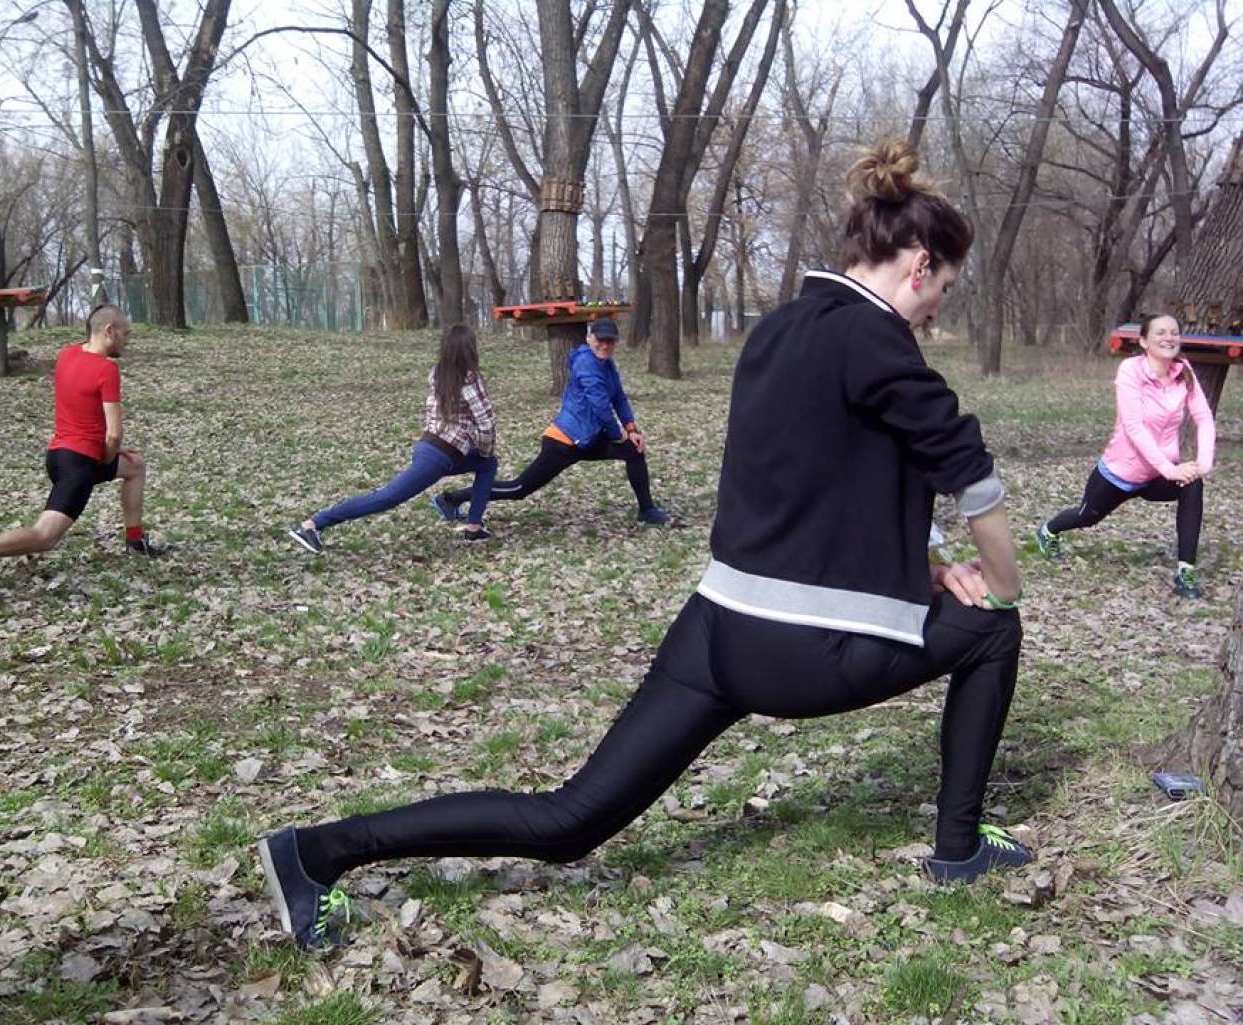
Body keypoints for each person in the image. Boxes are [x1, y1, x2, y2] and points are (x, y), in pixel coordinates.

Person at [256, 140, 1029, 951]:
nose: (936, 310)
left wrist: (919, 566)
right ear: (920, 264)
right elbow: (976, 483)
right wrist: (1000, 584)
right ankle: (959, 848)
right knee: (993, 629)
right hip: (804, 648)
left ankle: (316, 851)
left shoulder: (780, 328)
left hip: (717, 623)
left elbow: (820, 481)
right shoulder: (878, 340)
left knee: (569, 819)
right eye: (944, 287)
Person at [0, 305, 161, 585]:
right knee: (44, 536)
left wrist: (111, 454)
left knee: (135, 466)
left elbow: (86, 417)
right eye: (125, 333)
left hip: (58, 456)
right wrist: (107, 457)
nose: (127, 340)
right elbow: (114, 435)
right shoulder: (106, 369)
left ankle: (135, 542)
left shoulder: (67, 354)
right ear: (109, 331)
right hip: (80, 466)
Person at [1034, 314, 1214, 598]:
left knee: (1193, 484)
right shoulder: (1131, 370)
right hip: (1121, 473)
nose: (1169, 337)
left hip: (1157, 475)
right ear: (1143, 341)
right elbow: (1134, 428)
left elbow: (1203, 417)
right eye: (1161, 332)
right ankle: (1048, 530)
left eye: (1174, 332)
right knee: (1086, 517)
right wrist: (1169, 469)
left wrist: (1203, 463)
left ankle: (1185, 571)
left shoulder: (1184, 371)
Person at [431, 318, 669, 526]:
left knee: (634, 450)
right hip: (564, 442)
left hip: (590, 437)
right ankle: (451, 499)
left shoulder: (607, 364)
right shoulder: (586, 363)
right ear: (589, 338)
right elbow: (600, 405)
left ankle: (646, 510)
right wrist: (619, 435)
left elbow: (618, 397)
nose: (605, 345)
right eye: (600, 340)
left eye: (610, 341)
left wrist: (631, 428)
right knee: (519, 488)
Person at [287, 324, 498, 551]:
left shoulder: (439, 374)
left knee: (488, 464)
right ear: (470, 350)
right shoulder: (470, 380)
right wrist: (485, 450)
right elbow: (486, 423)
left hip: (430, 446)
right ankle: (312, 525)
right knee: (387, 498)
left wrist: (482, 454)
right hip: (439, 457)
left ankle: (474, 527)